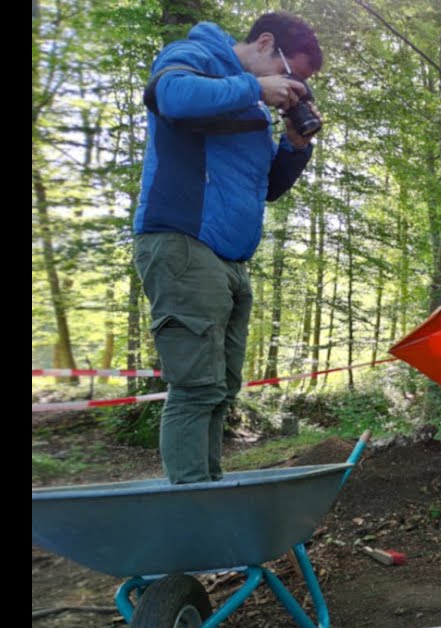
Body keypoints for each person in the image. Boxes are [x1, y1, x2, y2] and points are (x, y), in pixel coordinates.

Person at [133, 12, 323, 484]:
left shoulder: (253, 107)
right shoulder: (197, 54)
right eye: (291, 73)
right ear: (265, 44)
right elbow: (169, 96)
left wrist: (295, 146)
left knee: (221, 390)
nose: (292, 86)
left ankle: (210, 502)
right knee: (196, 388)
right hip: (182, 240)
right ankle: (190, 517)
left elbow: (268, 188)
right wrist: (256, 89)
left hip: (231, 260)